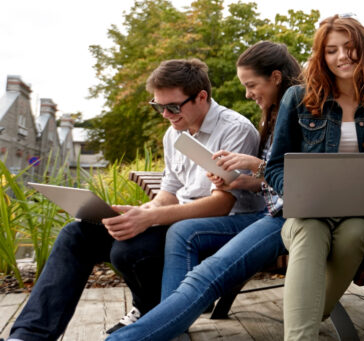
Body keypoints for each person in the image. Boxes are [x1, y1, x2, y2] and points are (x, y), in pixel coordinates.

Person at [5, 58, 261, 341]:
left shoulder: (235, 129)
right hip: (176, 222)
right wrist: (137, 212)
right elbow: (167, 196)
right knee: (76, 234)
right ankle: (28, 336)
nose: (165, 114)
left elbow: (222, 205)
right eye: (158, 106)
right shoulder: (173, 134)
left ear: (202, 97)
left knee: (128, 250)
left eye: (172, 106)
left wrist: (149, 218)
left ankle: (150, 311)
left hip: (215, 229)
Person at [106, 41, 301, 340]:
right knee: (176, 245)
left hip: (282, 218)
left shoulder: (293, 113)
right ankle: (165, 322)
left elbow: (297, 181)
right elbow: (276, 182)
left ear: (275, 77)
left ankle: (150, 329)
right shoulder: (271, 114)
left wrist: (256, 167)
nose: (246, 93)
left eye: (250, 85)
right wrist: (241, 179)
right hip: (274, 213)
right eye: (160, 107)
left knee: (187, 241)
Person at [268, 15, 364, 340]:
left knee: (354, 235)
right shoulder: (299, 99)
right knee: (308, 230)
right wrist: (298, 193)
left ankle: (306, 314)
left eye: (349, 48)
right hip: (310, 211)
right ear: (321, 57)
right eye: (331, 50)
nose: (342, 57)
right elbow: (275, 165)